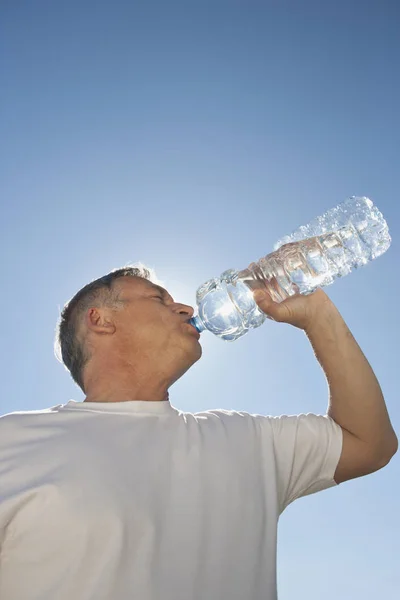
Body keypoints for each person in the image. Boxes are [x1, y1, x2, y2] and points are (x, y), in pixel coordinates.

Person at [0, 263, 397, 600]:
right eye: (160, 299)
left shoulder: (246, 441)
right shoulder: (13, 441)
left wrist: (317, 313)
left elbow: (370, 443)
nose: (186, 308)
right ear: (101, 320)